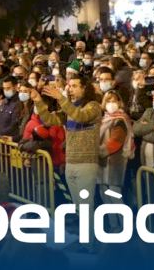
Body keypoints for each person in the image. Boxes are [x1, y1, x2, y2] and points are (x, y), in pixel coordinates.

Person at [37, 76, 102, 210]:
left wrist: (61, 98)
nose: (70, 89)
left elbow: (81, 117)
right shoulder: (70, 108)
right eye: (69, 86)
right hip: (70, 162)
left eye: (74, 86)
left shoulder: (93, 106)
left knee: (85, 206)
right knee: (77, 206)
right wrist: (38, 102)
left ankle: (89, 225)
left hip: (86, 163)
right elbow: (49, 120)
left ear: (84, 88)